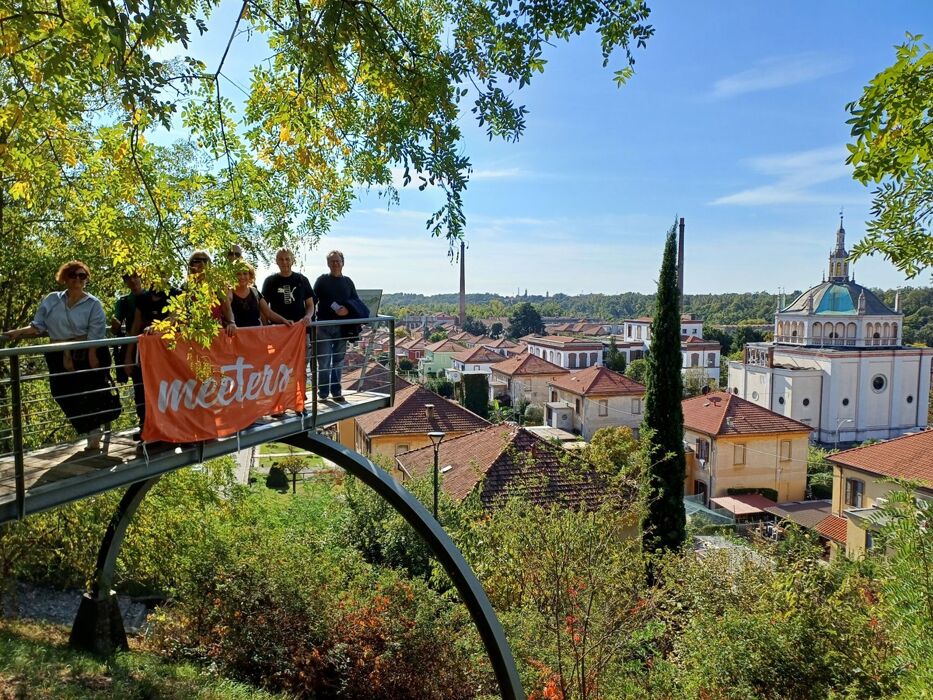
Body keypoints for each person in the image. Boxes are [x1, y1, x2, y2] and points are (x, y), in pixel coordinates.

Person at [0, 261, 114, 450]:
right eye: (73, 275)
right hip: (57, 352)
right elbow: (38, 325)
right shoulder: (52, 299)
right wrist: (17, 332)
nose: (78, 279)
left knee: (88, 391)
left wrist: (92, 354)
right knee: (60, 391)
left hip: (85, 352)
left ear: (86, 279)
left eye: (82, 276)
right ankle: (89, 427)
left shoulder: (93, 304)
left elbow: (96, 332)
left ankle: (94, 431)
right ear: (65, 278)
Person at [313, 250, 364, 402]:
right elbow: (312, 301)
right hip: (323, 327)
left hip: (342, 328)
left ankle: (336, 391)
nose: (335, 264)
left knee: (338, 360)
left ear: (343, 263)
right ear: (328, 263)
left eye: (337, 261)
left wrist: (347, 309)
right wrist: (312, 323)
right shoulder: (321, 280)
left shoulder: (348, 282)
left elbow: (356, 301)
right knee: (323, 361)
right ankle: (323, 394)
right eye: (332, 261)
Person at [228, 262, 293, 328]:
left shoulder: (255, 292)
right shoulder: (228, 292)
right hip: (236, 333)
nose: (242, 277)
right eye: (238, 274)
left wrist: (284, 321)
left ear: (250, 275)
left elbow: (268, 313)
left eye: (245, 273)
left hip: (256, 333)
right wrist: (230, 323)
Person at [261, 248, 316, 327]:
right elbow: (263, 308)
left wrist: (308, 316)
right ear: (276, 261)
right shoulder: (270, 281)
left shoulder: (302, 279)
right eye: (281, 259)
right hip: (278, 328)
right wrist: (266, 326)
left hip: (299, 327)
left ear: (292, 261)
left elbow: (310, 304)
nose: (284, 262)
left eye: (287, 259)